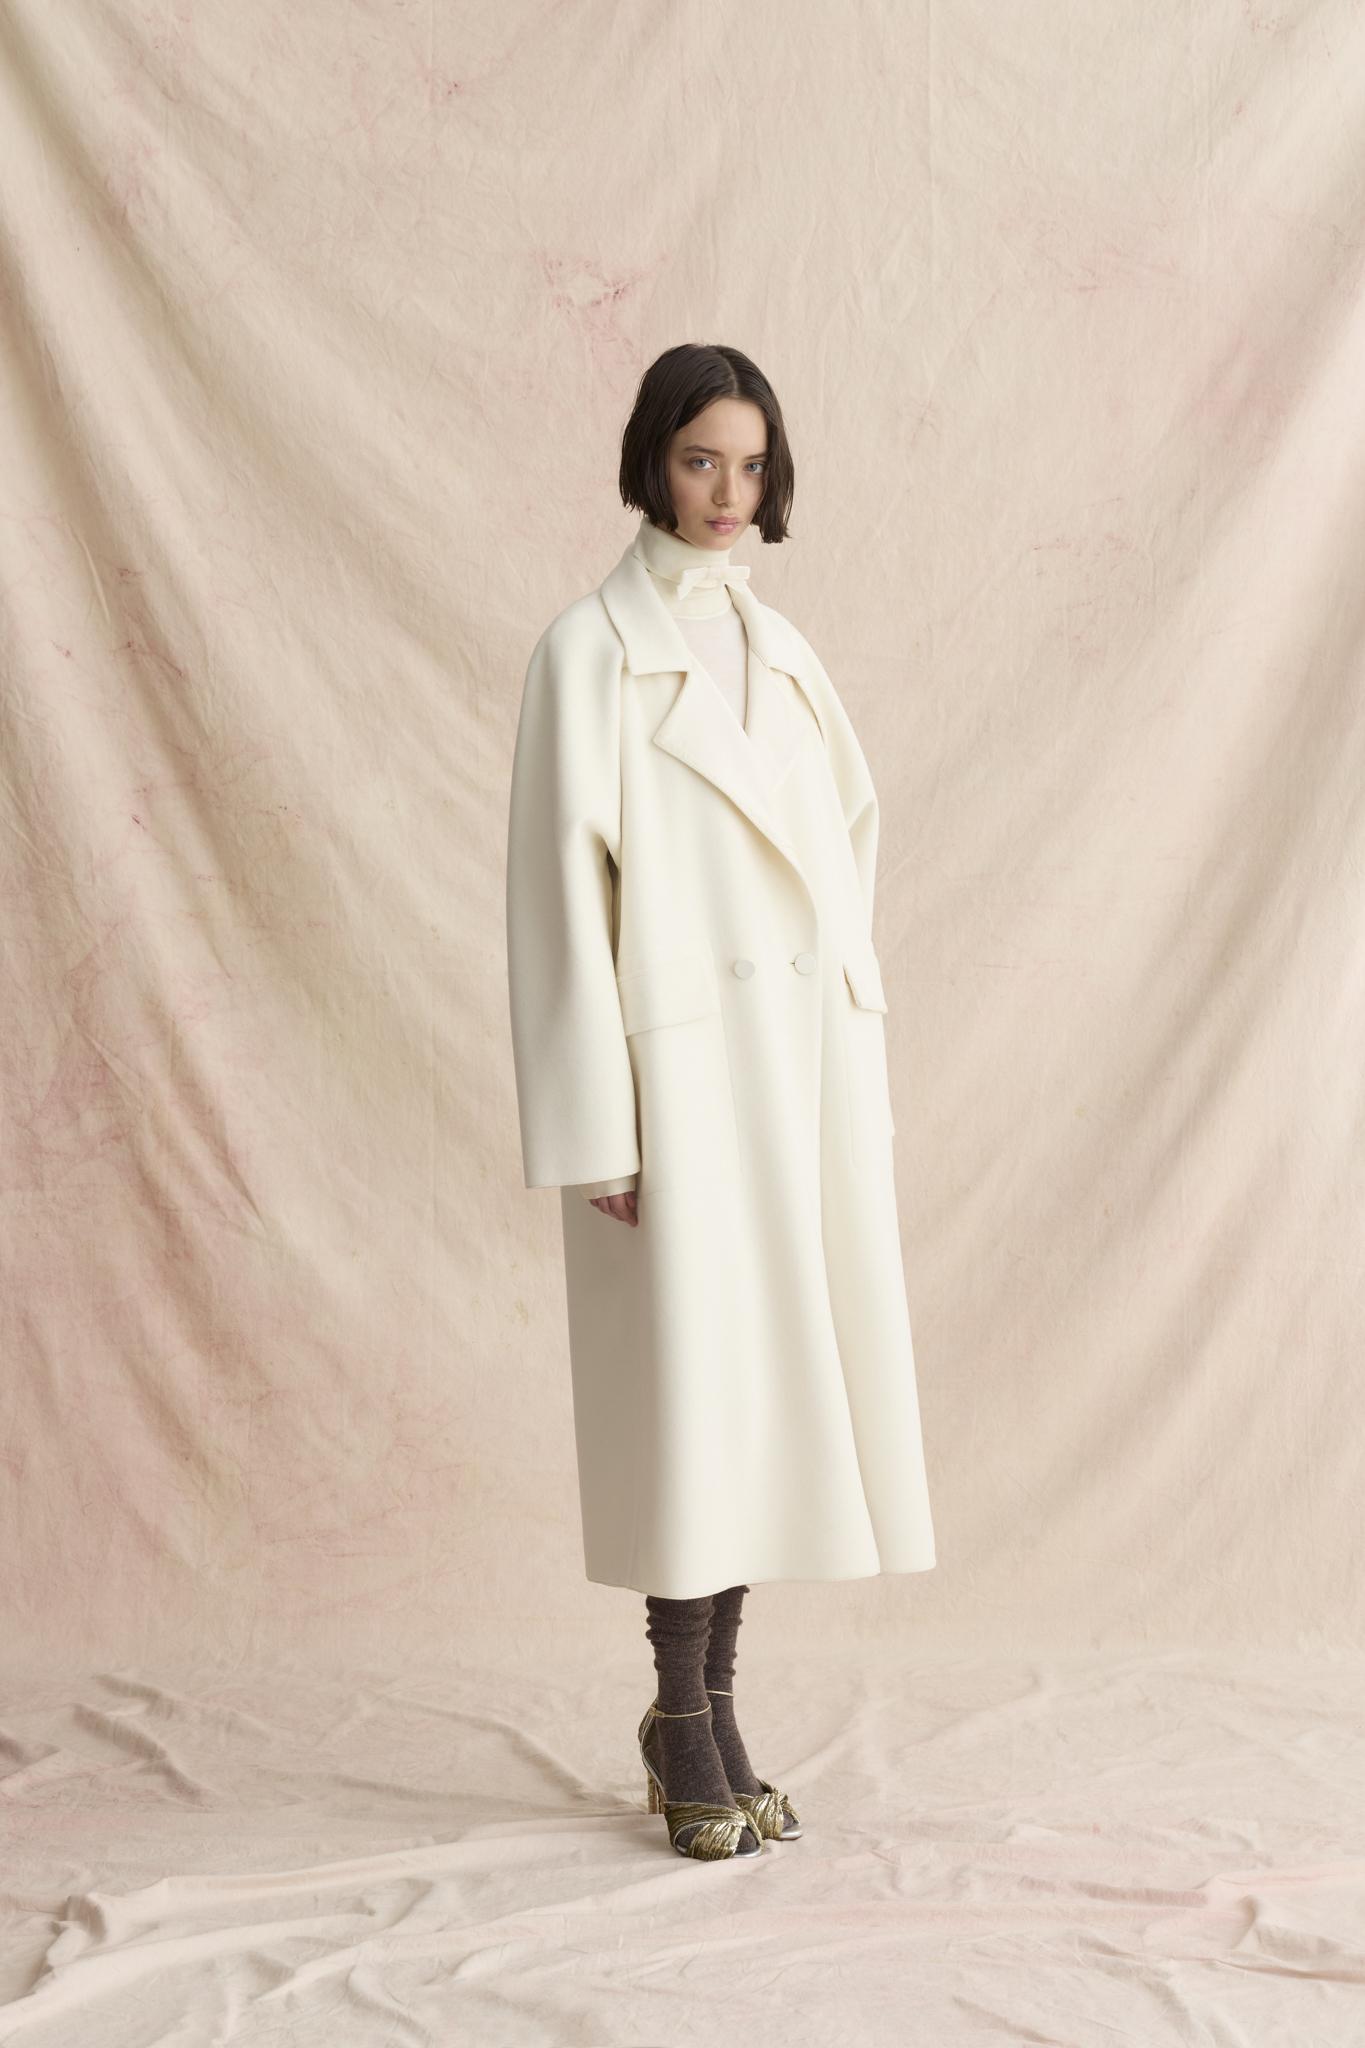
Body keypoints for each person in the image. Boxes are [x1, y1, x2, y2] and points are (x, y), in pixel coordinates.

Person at [505, 342, 936, 1860]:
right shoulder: (587, 652)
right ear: (652, 460)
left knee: (757, 1400)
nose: (727, 493)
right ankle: (681, 1721)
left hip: (796, 1076)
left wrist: (848, 1026)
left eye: (751, 465)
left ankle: (714, 1714)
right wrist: (597, 1126)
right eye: (701, 460)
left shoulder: (781, 647)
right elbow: (558, 903)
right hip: (678, 1079)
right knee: (689, 1401)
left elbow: (845, 846)